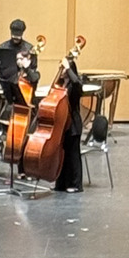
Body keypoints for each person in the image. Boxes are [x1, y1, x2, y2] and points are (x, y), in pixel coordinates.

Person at [53, 56, 84, 193]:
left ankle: (76, 184)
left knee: (72, 155)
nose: (63, 71)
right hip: (61, 124)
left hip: (72, 125)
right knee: (62, 155)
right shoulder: (60, 84)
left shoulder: (75, 86)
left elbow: (77, 83)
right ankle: (60, 183)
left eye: (65, 69)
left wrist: (68, 68)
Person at [0, 18, 34, 85]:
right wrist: (0, 83)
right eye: (14, 36)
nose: (15, 39)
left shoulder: (29, 48)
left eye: (18, 37)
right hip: (3, 85)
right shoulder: (2, 48)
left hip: (22, 85)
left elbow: (33, 69)